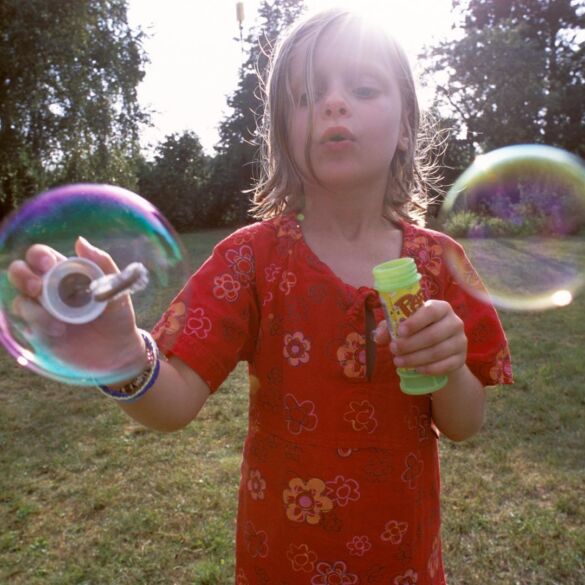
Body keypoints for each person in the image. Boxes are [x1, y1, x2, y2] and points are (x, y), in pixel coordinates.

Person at [9, 8, 513, 584]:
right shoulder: (253, 259)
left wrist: (447, 368)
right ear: (282, 137)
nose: (332, 104)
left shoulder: (438, 263)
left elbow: (464, 424)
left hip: (401, 562)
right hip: (281, 560)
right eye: (304, 96)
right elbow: (173, 405)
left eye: (364, 87)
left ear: (405, 128)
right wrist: (121, 358)